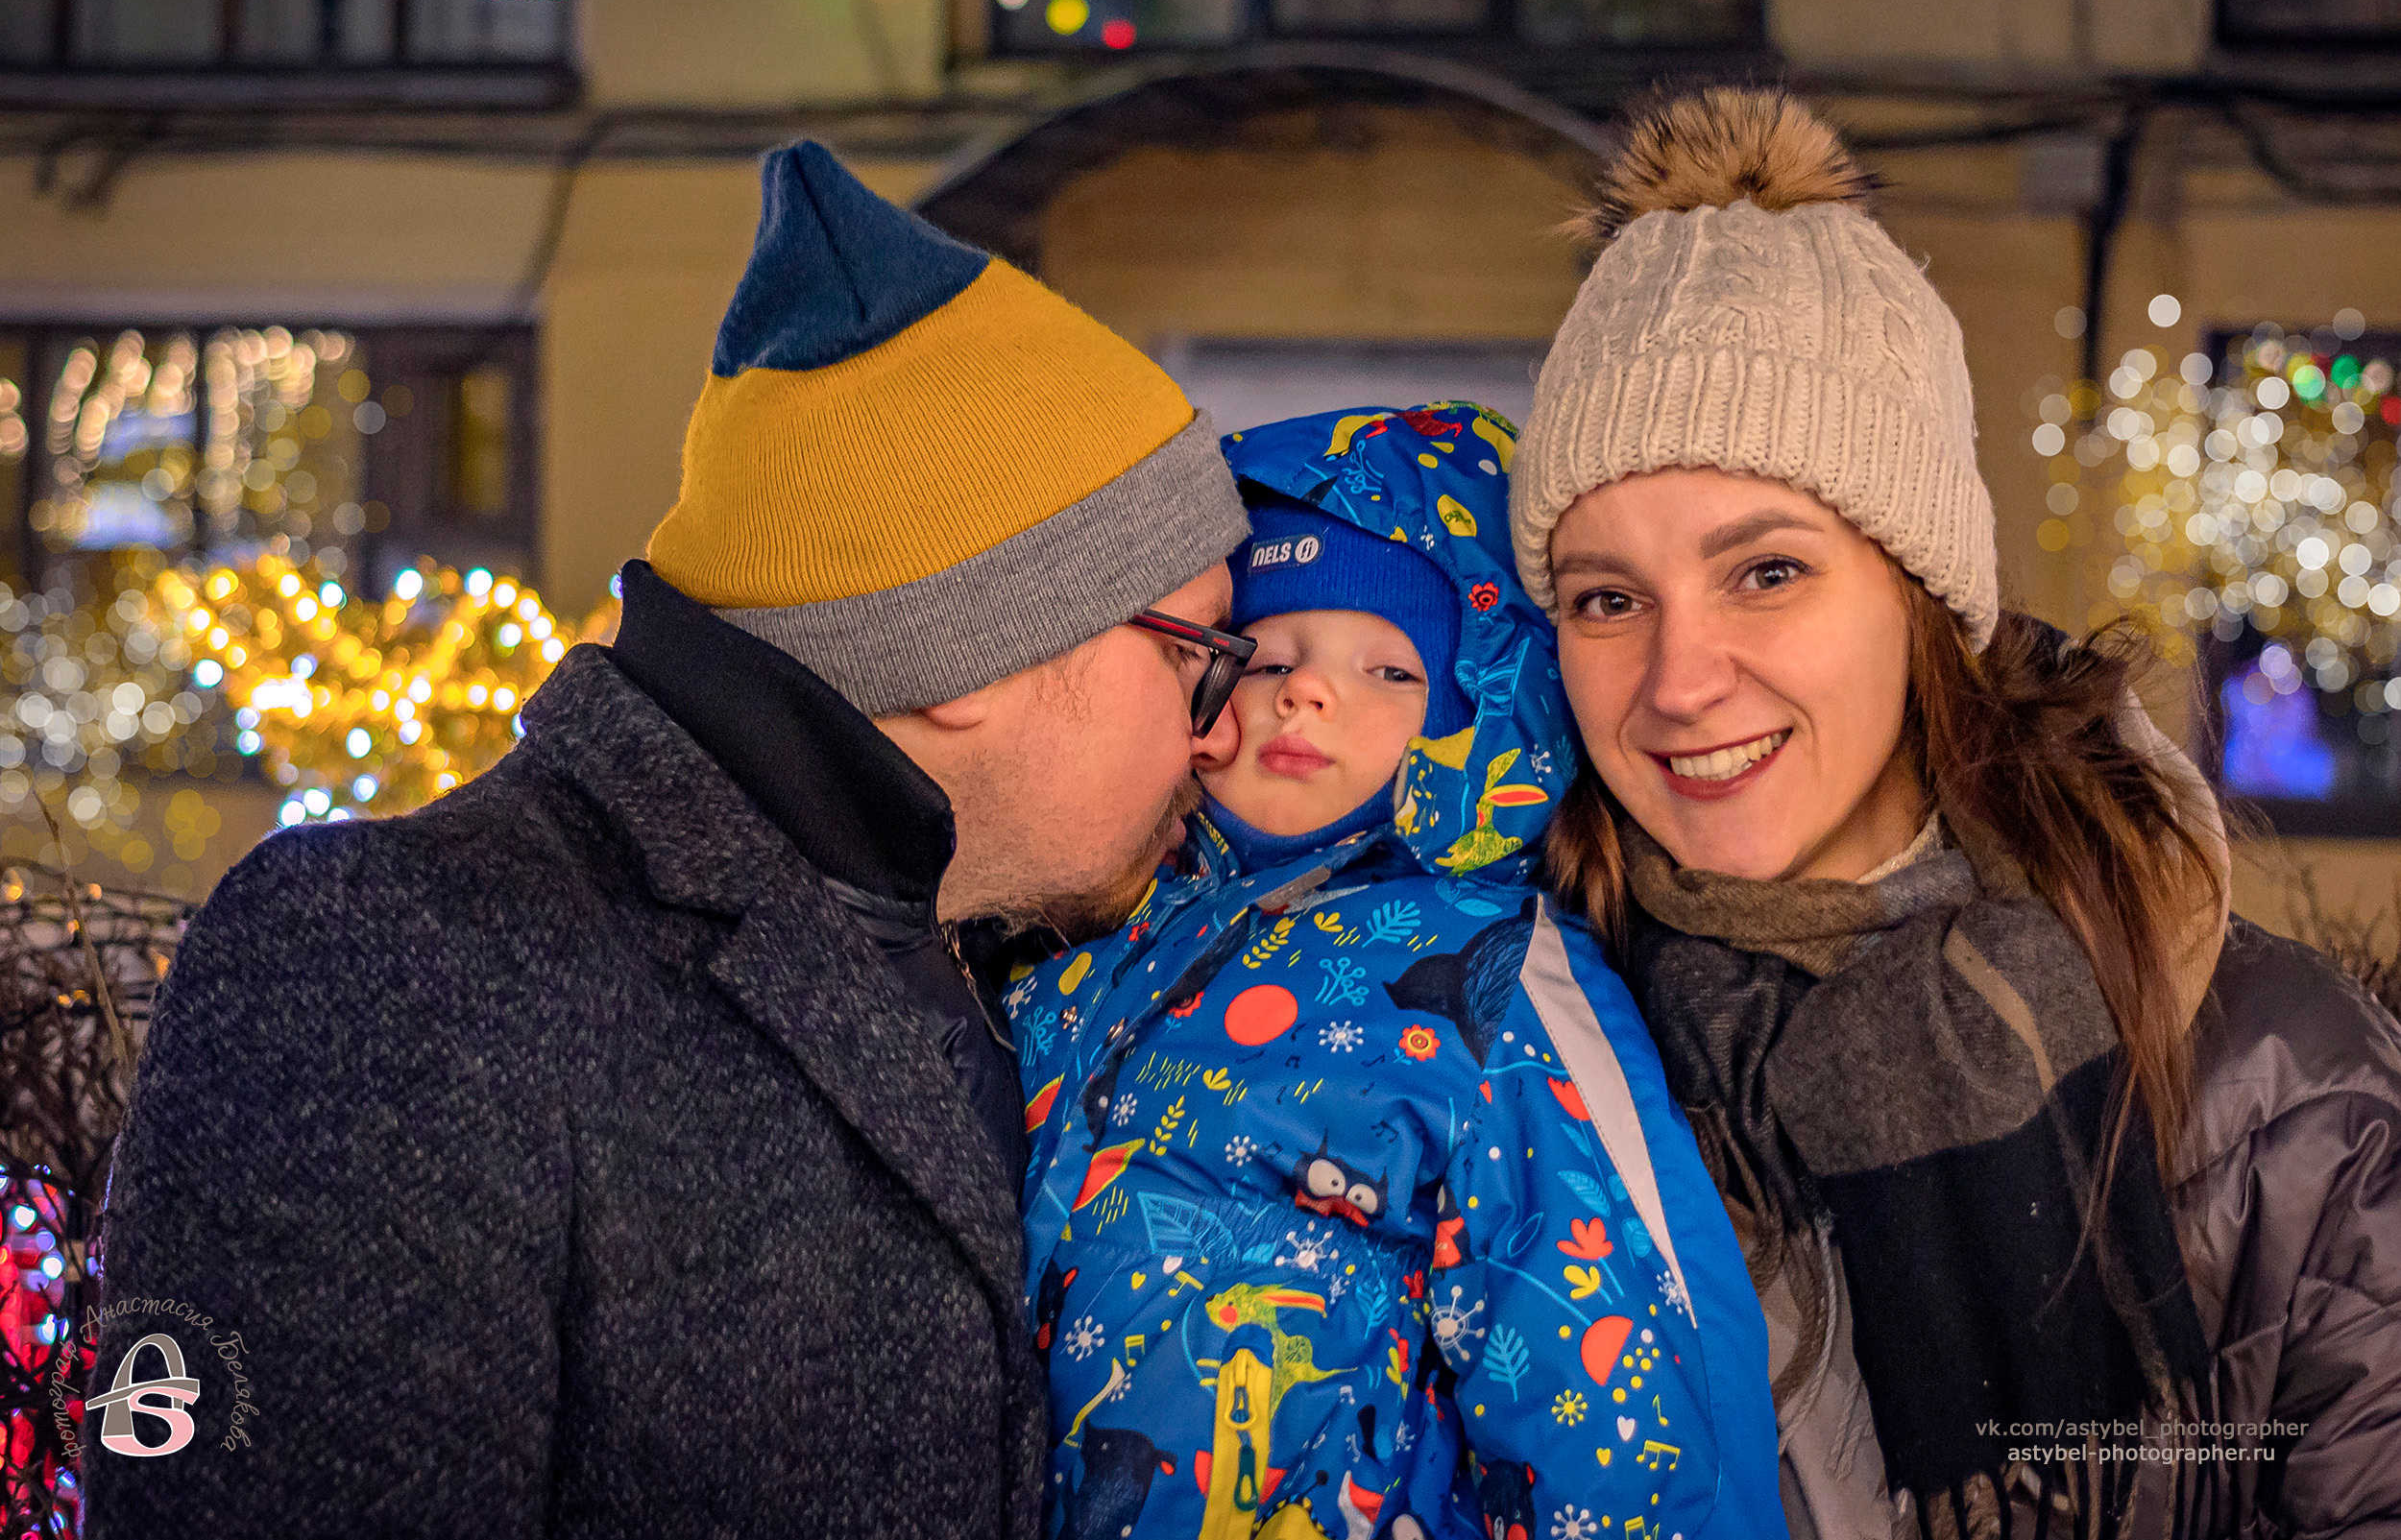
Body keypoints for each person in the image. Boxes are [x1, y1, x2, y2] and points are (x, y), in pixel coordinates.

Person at [80, 142, 1250, 1539]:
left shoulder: (1032, 968)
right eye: (1195, 654)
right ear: (974, 650)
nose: (1221, 731)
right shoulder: (391, 967)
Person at [1511, 86, 2401, 1538]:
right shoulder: (1522, 1064)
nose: (1677, 681)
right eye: (1607, 598)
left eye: (1767, 572)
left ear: (1922, 597)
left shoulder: (2276, 1083)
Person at [1012, 405, 1782, 1540]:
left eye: (1389, 669)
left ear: (1475, 721)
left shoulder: (1493, 977)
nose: (1306, 692)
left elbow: (1616, 1375)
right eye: (1269, 656)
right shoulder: (1074, 938)